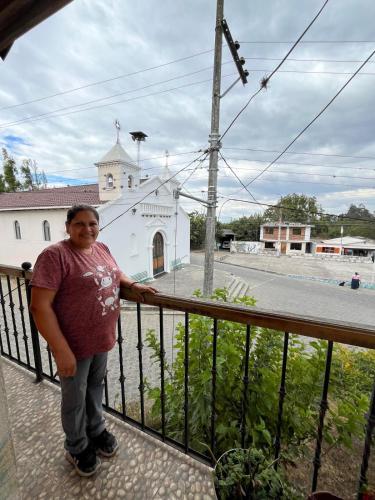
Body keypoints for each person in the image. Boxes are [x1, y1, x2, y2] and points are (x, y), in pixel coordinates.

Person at [30, 204, 157, 477]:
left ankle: (96, 430)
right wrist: (61, 350)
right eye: (79, 224)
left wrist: (133, 285)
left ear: (98, 227)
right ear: (67, 227)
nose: (87, 229)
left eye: (92, 224)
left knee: (94, 387)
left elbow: (114, 273)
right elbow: (40, 306)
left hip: (101, 338)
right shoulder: (55, 256)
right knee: (74, 397)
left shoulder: (101, 248)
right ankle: (76, 446)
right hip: (73, 344)